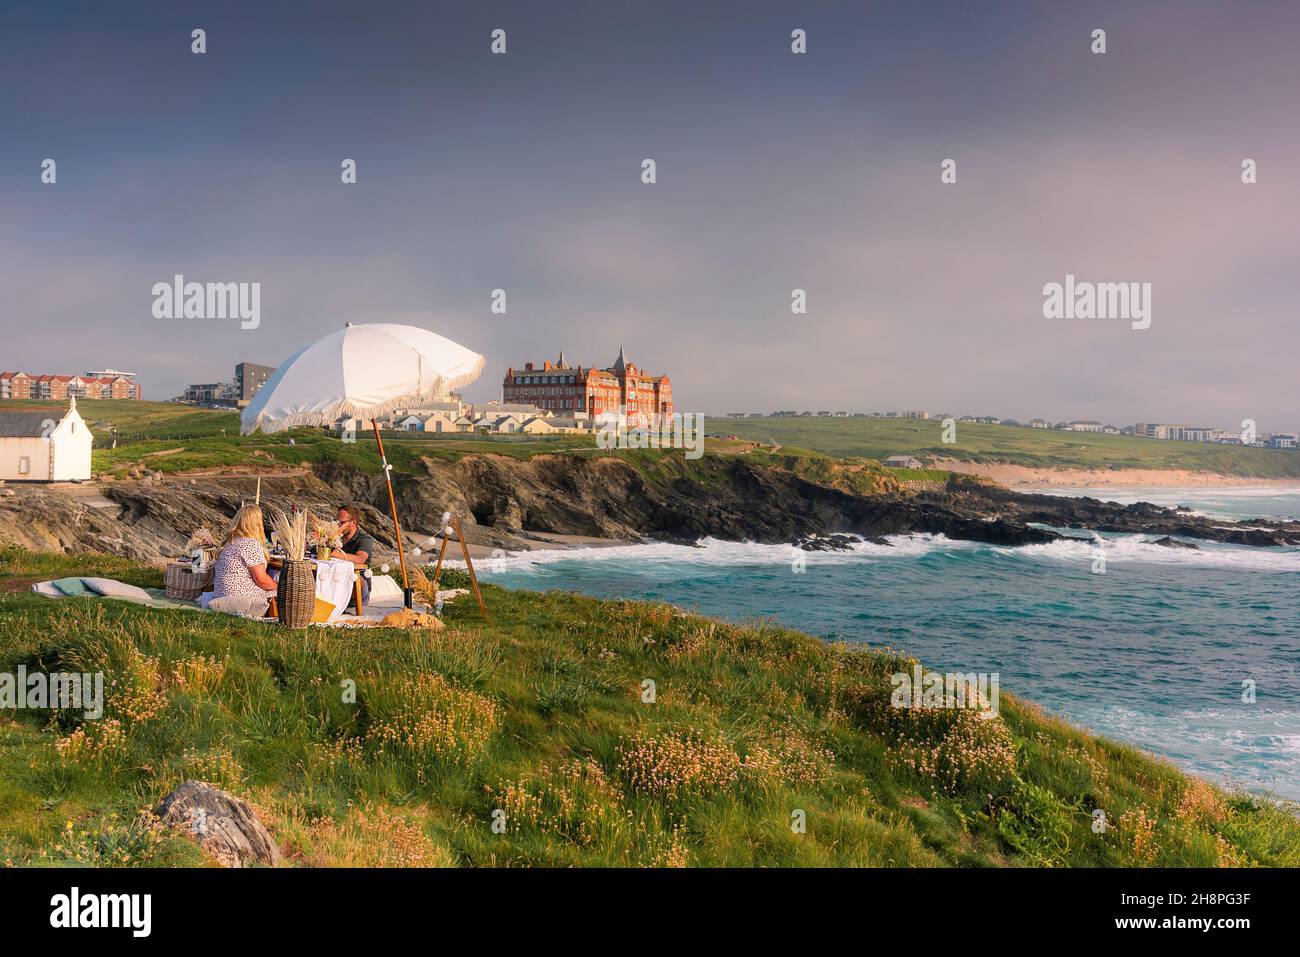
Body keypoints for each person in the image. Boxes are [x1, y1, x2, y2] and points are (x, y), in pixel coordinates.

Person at [206, 505, 278, 617]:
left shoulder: (230, 542)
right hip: (238, 595)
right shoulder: (250, 544)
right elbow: (262, 580)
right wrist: (280, 586)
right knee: (286, 592)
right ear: (257, 523)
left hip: (222, 593)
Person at [331, 503, 374, 608]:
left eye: (342, 522)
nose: (338, 525)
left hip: (359, 591)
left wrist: (333, 553)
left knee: (356, 578)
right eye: (337, 522)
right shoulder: (334, 537)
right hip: (335, 582)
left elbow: (360, 559)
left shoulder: (364, 539)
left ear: (353, 522)